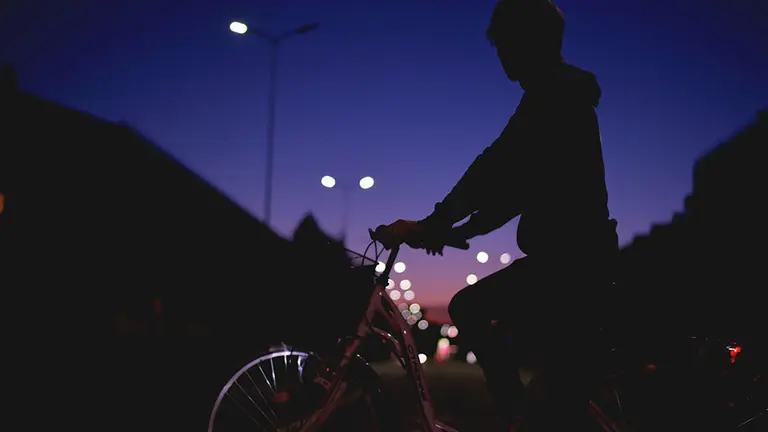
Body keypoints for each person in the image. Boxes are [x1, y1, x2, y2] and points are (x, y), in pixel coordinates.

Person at [376, 0, 620, 430]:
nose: (501, 54)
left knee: (469, 308)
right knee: (547, 383)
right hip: (574, 261)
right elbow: (517, 186)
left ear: (529, 43)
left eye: (506, 43)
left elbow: (497, 170)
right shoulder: (555, 96)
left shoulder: (554, 98)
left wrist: (435, 223)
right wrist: (454, 229)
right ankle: (524, 416)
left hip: (573, 265)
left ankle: (517, 418)